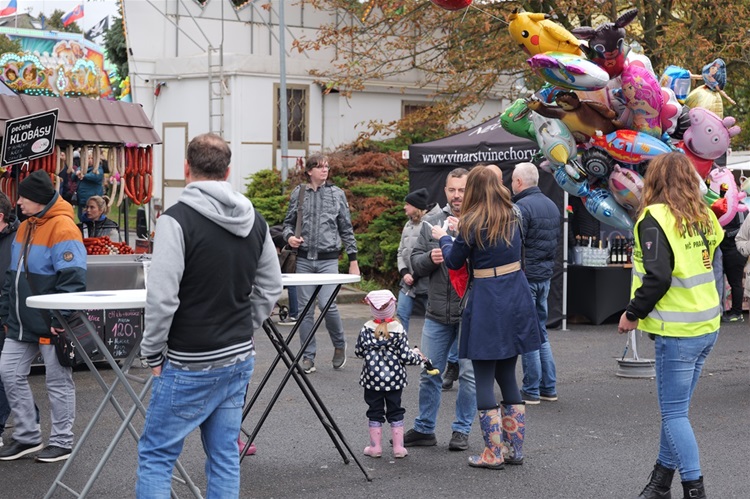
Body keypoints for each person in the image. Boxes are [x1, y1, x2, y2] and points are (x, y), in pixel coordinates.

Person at [136, 133, 282, 497]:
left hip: (189, 358)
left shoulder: (176, 220)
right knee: (224, 455)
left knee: (157, 455)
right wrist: (245, 325)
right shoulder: (256, 221)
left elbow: (162, 297)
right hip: (238, 355)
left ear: (186, 168)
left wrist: (152, 351)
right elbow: (271, 287)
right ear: (228, 171)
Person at [617, 152, 722, 499]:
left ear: (654, 180)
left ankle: (694, 490)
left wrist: (632, 313)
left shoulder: (654, 217)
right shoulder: (704, 214)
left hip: (678, 330)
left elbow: (658, 276)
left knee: (674, 414)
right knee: (676, 412)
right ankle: (660, 483)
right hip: (706, 323)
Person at [431, 166, 541, 469]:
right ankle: (513, 450)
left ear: (474, 190)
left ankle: (493, 453)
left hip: (487, 300)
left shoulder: (471, 222)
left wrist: (444, 238)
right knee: (507, 375)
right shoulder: (513, 215)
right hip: (516, 295)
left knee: (482, 377)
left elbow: (454, 260)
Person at [0, 170, 86, 463]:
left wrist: (60, 318)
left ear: (37, 198)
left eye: (23, 197)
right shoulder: (25, 226)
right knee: (9, 372)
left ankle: (62, 442)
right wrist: (7, 313)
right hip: (20, 321)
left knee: (58, 381)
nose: (18, 202)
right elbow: (13, 276)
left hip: (50, 322)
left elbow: (73, 278)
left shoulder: (64, 228)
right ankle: (28, 436)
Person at [404, 167, 476, 451]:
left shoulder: (478, 221)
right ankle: (425, 429)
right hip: (436, 311)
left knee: (469, 375)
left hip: (469, 312)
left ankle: (461, 431)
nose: (457, 195)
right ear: (445, 190)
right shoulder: (431, 222)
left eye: (462, 190)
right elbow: (415, 262)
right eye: (452, 190)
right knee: (429, 371)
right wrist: (430, 259)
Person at [282, 153, 359, 374]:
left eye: (326, 166)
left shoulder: (337, 194)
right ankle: (308, 356)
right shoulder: (299, 193)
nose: (325, 170)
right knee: (305, 310)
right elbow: (287, 224)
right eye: (319, 167)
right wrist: (289, 237)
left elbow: (346, 229)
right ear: (309, 171)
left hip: (328, 261)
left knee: (327, 304)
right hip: (304, 260)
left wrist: (353, 260)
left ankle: (339, 344)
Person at [511, 162, 561, 404]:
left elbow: (515, 244)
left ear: (519, 182)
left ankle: (531, 389)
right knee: (540, 332)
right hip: (545, 276)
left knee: (528, 334)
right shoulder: (551, 205)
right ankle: (548, 387)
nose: (511, 185)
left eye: (512, 180)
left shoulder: (521, 208)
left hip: (526, 278)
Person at [355, 289, 423, 459]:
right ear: (392, 307)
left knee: (374, 410)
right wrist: (417, 356)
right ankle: (399, 448)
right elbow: (405, 356)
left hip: (372, 380)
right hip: (395, 381)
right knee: (395, 409)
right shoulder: (398, 329)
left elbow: (359, 351)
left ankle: (375, 447)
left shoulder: (366, 328)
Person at [269, 225, 299, 325]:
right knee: (291, 284)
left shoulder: (271, 237)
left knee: (286, 284)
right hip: (298, 254)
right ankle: (295, 314)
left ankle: (294, 315)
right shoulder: (279, 233)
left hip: (291, 257)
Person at [719, 213, 746, 322]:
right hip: (727, 249)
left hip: (735, 250)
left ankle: (737, 312)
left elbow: (742, 229)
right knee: (729, 281)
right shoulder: (725, 207)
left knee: (735, 282)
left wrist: (725, 233)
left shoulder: (740, 210)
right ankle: (732, 311)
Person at [75, 150, 104, 220]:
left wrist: (83, 175)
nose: (90, 160)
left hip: (93, 199)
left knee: (91, 217)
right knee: (81, 217)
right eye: (88, 158)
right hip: (81, 199)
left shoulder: (98, 169)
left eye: (92, 158)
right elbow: (73, 176)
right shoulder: (81, 168)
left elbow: (96, 177)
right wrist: (77, 173)